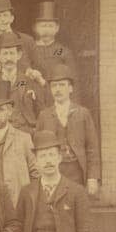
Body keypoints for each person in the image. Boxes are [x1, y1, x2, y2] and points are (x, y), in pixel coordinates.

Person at [38, 65, 101, 196]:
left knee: (77, 208)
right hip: (53, 171)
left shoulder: (82, 113)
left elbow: (92, 148)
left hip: (76, 170)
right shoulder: (44, 115)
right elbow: (38, 149)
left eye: (62, 85)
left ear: (70, 88)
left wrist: (92, 177)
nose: (58, 89)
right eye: (54, 86)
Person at [28, 2, 78, 79]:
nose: (47, 30)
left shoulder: (64, 52)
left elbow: (73, 80)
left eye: (50, 26)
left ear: (57, 28)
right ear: (35, 28)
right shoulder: (28, 50)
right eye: (43, 26)